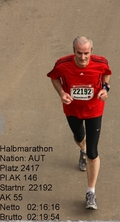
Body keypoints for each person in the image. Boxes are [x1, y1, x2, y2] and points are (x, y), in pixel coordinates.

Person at [48, 36, 111, 210]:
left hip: (94, 110)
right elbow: (54, 78)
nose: (82, 57)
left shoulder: (100, 62)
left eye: (86, 53)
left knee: (93, 151)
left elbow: (106, 74)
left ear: (92, 51)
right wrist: (61, 93)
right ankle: (81, 149)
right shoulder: (62, 64)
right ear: (73, 51)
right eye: (79, 53)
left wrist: (105, 90)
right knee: (78, 136)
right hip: (72, 110)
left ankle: (91, 192)